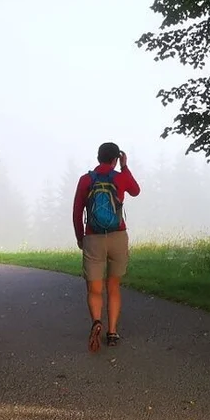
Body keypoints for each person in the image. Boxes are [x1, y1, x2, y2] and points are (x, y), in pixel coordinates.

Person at [72, 142, 140, 352]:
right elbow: (136, 191)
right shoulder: (120, 177)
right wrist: (125, 167)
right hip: (118, 236)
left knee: (94, 288)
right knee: (113, 287)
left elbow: (77, 211)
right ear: (115, 158)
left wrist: (80, 237)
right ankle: (112, 332)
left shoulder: (86, 180)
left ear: (98, 156)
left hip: (93, 238)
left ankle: (96, 322)